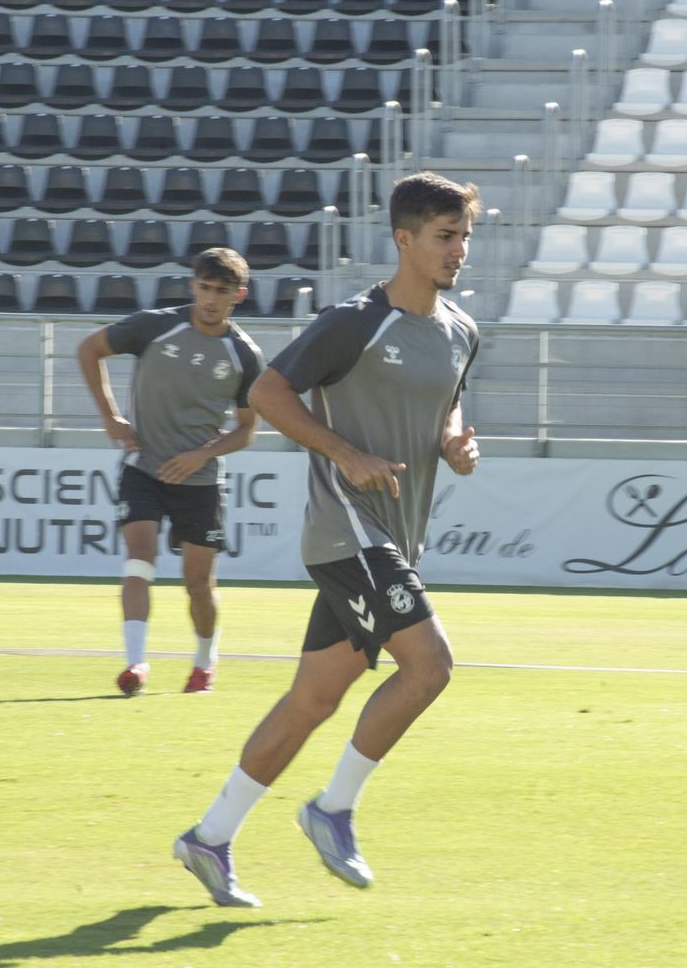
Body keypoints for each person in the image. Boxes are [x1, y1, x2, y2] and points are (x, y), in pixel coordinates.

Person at [172, 171, 483, 907]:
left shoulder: (463, 330)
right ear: (404, 239)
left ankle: (209, 838)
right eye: (445, 236)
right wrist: (345, 453)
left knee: (312, 700)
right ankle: (333, 809)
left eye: (466, 235)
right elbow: (267, 392)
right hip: (347, 531)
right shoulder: (353, 321)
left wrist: (455, 446)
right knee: (430, 667)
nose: (459, 249)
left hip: (393, 539)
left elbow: (444, 412)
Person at [78, 248, 262, 697]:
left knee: (198, 586)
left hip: (199, 482)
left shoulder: (245, 354)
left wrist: (203, 454)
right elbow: (90, 348)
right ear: (192, 286)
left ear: (238, 295)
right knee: (139, 560)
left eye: (221, 291)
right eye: (204, 288)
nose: (211, 299)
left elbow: (246, 431)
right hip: (143, 468)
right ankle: (136, 664)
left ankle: (204, 665)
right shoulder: (155, 326)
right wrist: (110, 416)